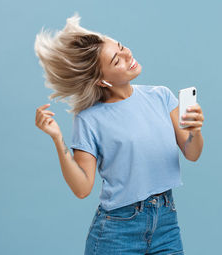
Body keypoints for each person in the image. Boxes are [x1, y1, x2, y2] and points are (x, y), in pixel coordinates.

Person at [33, 13, 205, 255]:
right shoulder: (89, 119)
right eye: (117, 61)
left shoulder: (161, 96)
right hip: (117, 230)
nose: (127, 56)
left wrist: (195, 131)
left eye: (122, 47)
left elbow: (192, 153)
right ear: (102, 81)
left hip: (166, 222)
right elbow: (82, 188)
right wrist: (57, 139)